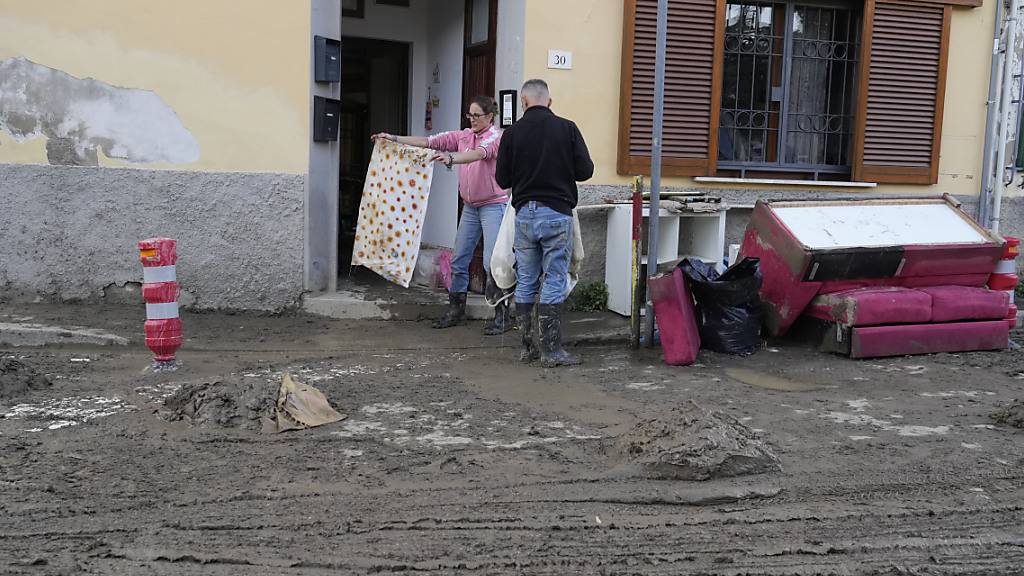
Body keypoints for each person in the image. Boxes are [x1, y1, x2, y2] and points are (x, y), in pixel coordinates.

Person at [372, 96, 513, 334]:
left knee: (492, 261)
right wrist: (393, 138)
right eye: (469, 115)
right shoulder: (463, 136)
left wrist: (451, 158)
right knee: (459, 259)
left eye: (476, 115)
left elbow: (479, 154)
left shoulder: (495, 137)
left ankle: (502, 315)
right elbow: (428, 141)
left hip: (493, 205)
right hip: (470, 206)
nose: (472, 120)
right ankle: (456, 310)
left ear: (490, 117)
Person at [495, 79, 594, 367]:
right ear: (549, 101)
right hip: (557, 214)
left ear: (524, 102)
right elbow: (585, 171)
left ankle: (527, 348)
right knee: (554, 278)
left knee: (525, 280)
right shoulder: (567, 128)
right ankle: (551, 351)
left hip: (524, 214)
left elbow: (502, 181)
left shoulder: (512, 134)